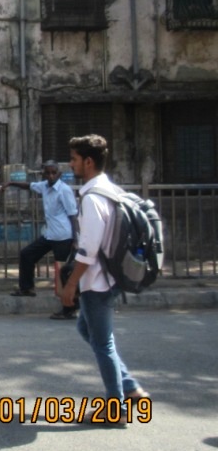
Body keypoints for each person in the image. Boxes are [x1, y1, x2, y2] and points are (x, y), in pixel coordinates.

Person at [60, 134, 148, 408]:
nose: (70, 164)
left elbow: (88, 249)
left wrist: (71, 284)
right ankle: (130, 388)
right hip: (109, 277)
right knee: (86, 329)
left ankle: (117, 407)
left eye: (74, 159)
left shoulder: (92, 199)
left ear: (88, 162)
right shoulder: (108, 190)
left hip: (97, 282)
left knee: (103, 344)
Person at [2, 160, 79, 318]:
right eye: (47, 173)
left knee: (63, 273)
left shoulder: (64, 190)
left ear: (59, 174)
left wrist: (76, 239)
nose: (50, 176)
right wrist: (10, 183)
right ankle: (27, 288)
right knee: (27, 254)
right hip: (50, 234)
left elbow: (73, 215)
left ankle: (69, 309)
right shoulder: (44, 186)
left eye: (53, 173)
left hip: (63, 236)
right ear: (43, 174)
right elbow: (28, 185)